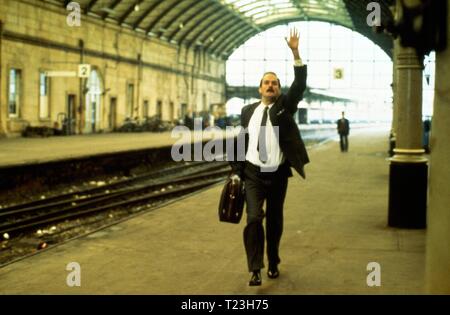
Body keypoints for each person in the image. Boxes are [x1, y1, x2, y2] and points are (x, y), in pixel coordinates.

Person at [229, 28, 309, 286]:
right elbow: (241, 140)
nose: (270, 85)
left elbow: (299, 86)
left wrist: (295, 52)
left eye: (274, 83)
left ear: (278, 89)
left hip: (277, 175)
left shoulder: (285, 106)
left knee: (275, 221)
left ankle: (273, 259)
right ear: (259, 88)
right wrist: (235, 169)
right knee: (253, 219)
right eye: (266, 82)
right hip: (252, 173)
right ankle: (255, 268)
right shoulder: (247, 110)